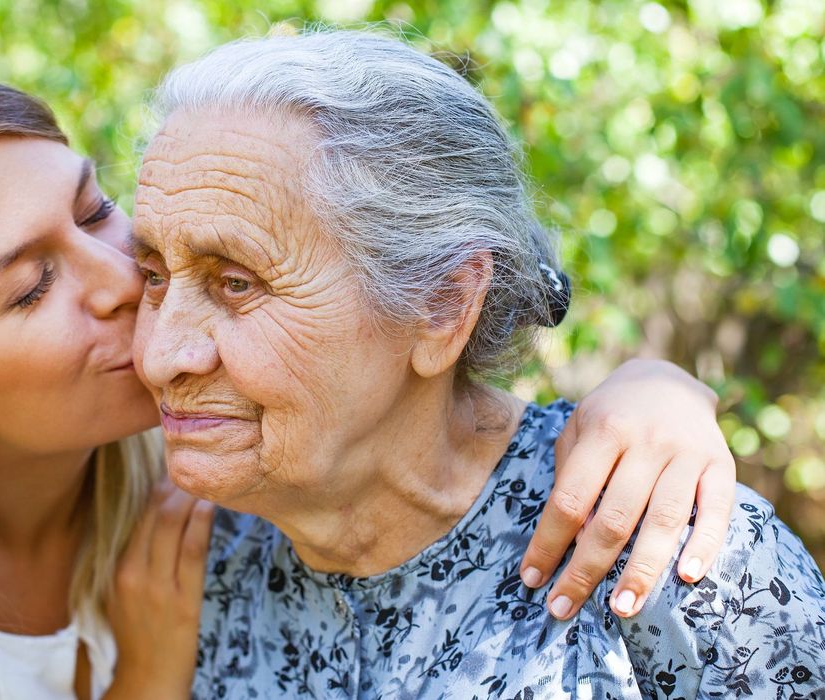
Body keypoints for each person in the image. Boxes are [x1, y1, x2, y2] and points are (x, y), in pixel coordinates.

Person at [0, 67, 737, 700]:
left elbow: (413, 376)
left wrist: (655, 389)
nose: (128, 285)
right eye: (31, 288)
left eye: (91, 212)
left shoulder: (225, 462)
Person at [131, 30, 825, 698]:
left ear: (441, 306)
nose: (161, 355)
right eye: (155, 276)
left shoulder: (678, 552)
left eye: (237, 283)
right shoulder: (181, 560)